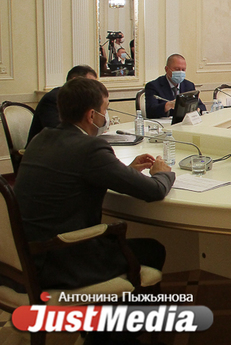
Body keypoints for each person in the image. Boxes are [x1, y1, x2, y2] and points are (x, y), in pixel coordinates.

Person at [14, 77, 174, 290]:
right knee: (153, 250)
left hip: (24, 257)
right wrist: (162, 174)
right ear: (91, 115)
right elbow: (155, 190)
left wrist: (127, 171)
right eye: (105, 109)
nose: (105, 117)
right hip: (62, 262)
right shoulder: (91, 148)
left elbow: (75, 176)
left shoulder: (40, 139)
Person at [27, 65, 98, 144]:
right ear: (74, 81)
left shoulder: (82, 100)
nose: (94, 89)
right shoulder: (53, 99)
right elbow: (59, 132)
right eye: (90, 84)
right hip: (46, 149)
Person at [145, 53, 206, 118]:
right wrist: (167, 106)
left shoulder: (189, 85)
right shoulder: (153, 86)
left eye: (183, 70)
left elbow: (201, 106)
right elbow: (150, 111)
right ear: (166, 69)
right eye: (177, 69)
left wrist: (197, 110)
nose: (180, 72)